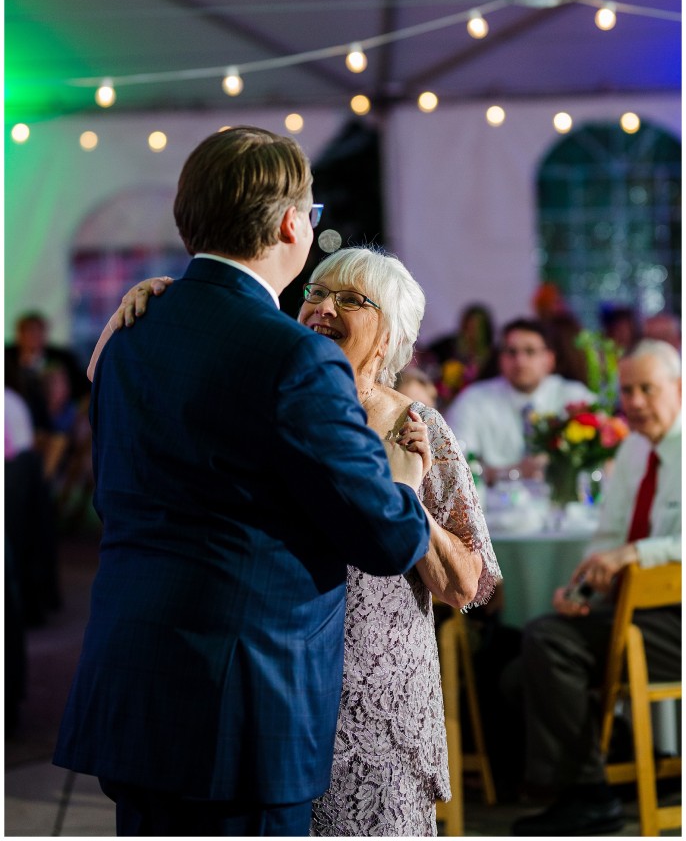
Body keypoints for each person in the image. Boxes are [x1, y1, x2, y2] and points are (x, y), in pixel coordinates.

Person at [53, 126, 434, 838]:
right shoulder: (295, 357)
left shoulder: (127, 331)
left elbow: (117, 489)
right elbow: (384, 538)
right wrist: (406, 483)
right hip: (240, 703)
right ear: (292, 222)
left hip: (131, 673)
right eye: (313, 217)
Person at [102, 245, 502, 836]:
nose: (323, 307)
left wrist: (405, 498)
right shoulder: (272, 398)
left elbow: (463, 584)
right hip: (272, 690)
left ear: (390, 337)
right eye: (315, 292)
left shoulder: (420, 430)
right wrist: (162, 300)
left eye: (351, 299)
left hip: (379, 704)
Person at [510, 339, 681, 836]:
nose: (636, 401)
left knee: (545, 642)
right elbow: (608, 537)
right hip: (632, 612)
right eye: (627, 391)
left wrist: (636, 554)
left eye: (647, 389)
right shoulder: (632, 448)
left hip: (675, 620)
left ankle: (588, 795)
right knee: (518, 670)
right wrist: (579, 588)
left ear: (678, 388)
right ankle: (613, 772)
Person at [445, 317, 594, 486]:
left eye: (530, 352)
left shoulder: (575, 398)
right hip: (494, 509)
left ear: (549, 359)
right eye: (511, 352)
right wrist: (514, 471)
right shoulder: (473, 400)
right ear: (501, 358)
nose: (520, 361)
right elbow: (453, 467)